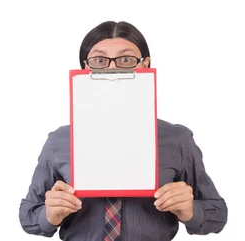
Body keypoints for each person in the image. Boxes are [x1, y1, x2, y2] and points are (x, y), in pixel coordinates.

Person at [18, 21, 227, 240]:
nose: (112, 69)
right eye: (99, 60)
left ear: (145, 65)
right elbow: (28, 217)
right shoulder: (59, 141)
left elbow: (218, 214)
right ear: (85, 68)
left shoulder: (177, 139)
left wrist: (190, 210)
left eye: (126, 59)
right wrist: (49, 214)